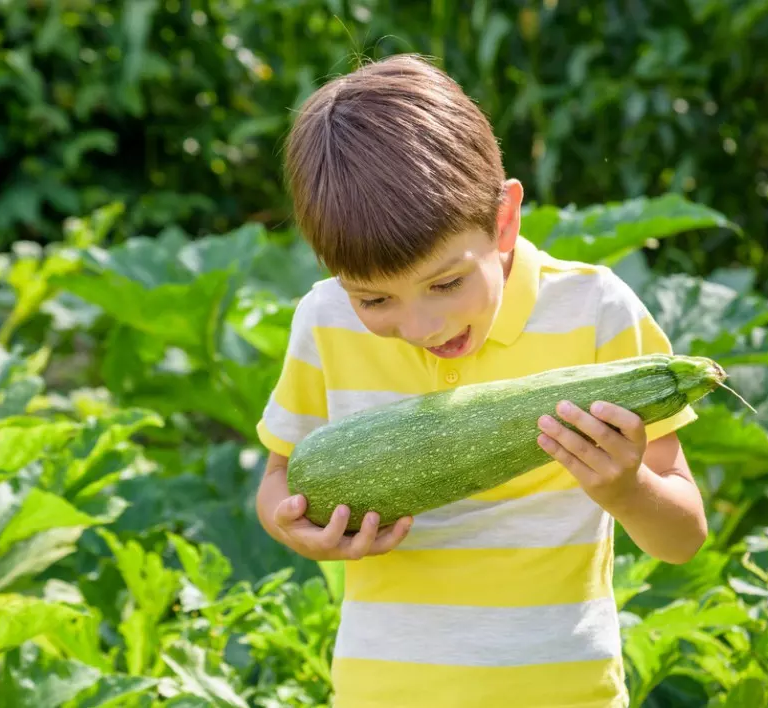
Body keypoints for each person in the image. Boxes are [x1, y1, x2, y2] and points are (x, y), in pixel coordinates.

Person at [254, 53, 708, 708]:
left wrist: (628, 487)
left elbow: (683, 536)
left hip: (565, 694)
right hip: (383, 693)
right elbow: (278, 479)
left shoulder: (597, 314)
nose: (420, 324)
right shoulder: (324, 321)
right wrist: (290, 525)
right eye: (375, 300)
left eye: (446, 283)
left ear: (504, 221)